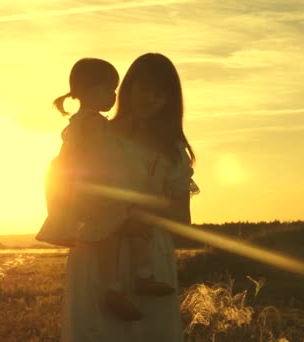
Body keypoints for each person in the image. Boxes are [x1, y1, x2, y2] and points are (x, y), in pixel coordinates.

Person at [60, 53, 195, 342]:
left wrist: (138, 216)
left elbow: (182, 218)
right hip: (97, 249)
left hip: (147, 257)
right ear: (128, 88)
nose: (152, 98)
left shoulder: (172, 152)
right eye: (145, 88)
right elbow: (67, 183)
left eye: (162, 93)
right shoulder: (95, 132)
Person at [36, 57, 174, 322]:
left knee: (110, 237)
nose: (113, 96)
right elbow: (105, 156)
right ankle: (141, 276)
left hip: (87, 191)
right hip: (99, 190)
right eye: (108, 89)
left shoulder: (77, 123)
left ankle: (115, 288)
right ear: (89, 91)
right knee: (132, 224)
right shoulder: (95, 124)